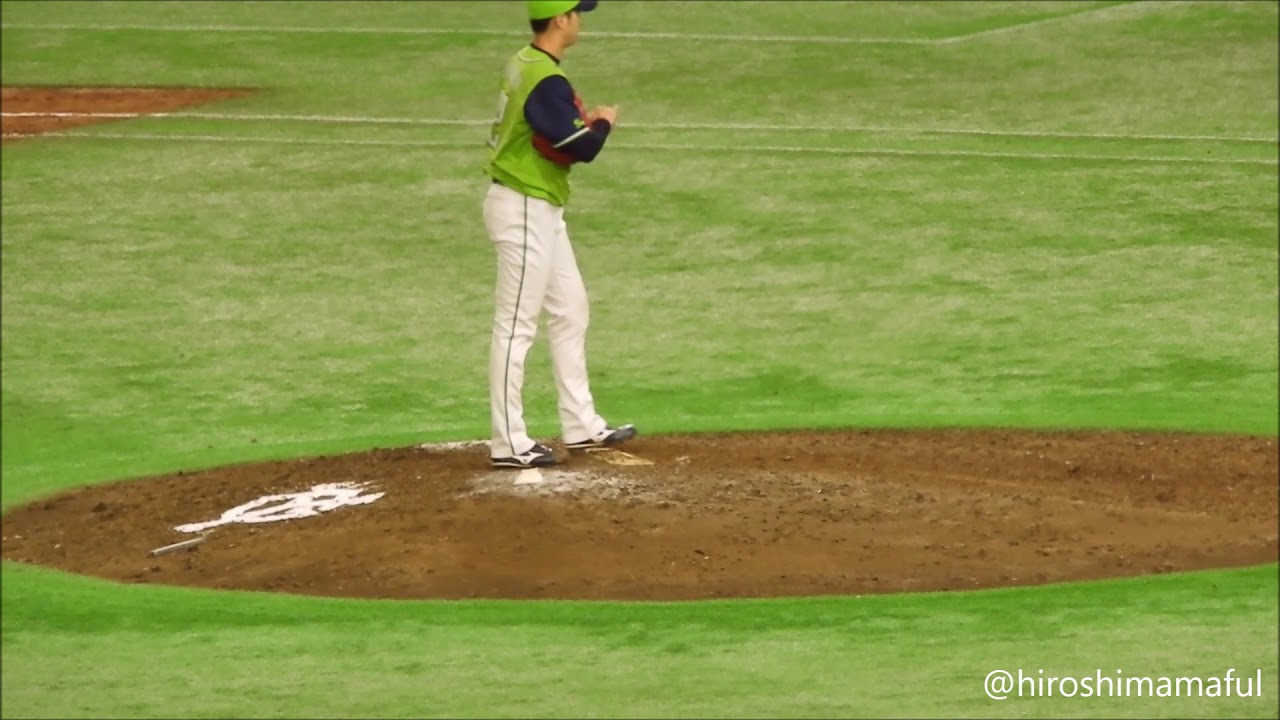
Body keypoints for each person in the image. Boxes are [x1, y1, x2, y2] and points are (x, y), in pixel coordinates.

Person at [482, 0, 636, 469]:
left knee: (571, 308)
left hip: (540, 204)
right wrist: (603, 122)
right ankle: (508, 441)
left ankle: (580, 422)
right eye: (577, 12)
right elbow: (580, 146)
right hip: (524, 205)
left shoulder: (525, 62)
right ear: (560, 19)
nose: (581, 21)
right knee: (516, 325)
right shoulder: (546, 80)